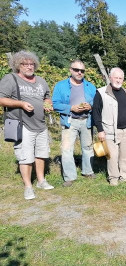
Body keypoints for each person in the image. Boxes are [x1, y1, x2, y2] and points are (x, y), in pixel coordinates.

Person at [0, 50, 54, 200]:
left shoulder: (41, 80)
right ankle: (28, 186)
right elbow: (1, 99)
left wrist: (47, 104)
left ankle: (41, 181)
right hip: (22, 124)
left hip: (41, 124)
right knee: (25, 156)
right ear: (18, 65)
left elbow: (47, 97)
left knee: (41, 154)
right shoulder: (11, 79)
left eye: (32, 64)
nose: (29, 67)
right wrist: (21, 104)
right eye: (25, 64)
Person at [52, 59, 97, 187]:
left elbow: (96, 103)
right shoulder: (61, 86)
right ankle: (69, 177)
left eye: (82, 71)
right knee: (66, 149)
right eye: (76, 70)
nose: (79, 73)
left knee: (88, 147)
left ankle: (88, 171)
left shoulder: (90, 86)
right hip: (70, 120)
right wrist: (70, 108)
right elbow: (55, 104)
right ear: (70, 70)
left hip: (86, 120)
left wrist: (91, 106)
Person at [92, 67, 126, 186]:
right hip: (110, 130)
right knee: (112, 156)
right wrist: (100, 130)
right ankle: (113, 178)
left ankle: (125, 176)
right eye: (116, 77)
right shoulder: (101, 92)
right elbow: (96, 112)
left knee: (125, 155)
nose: (118, 80)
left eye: (120, 78)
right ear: (110, 77)